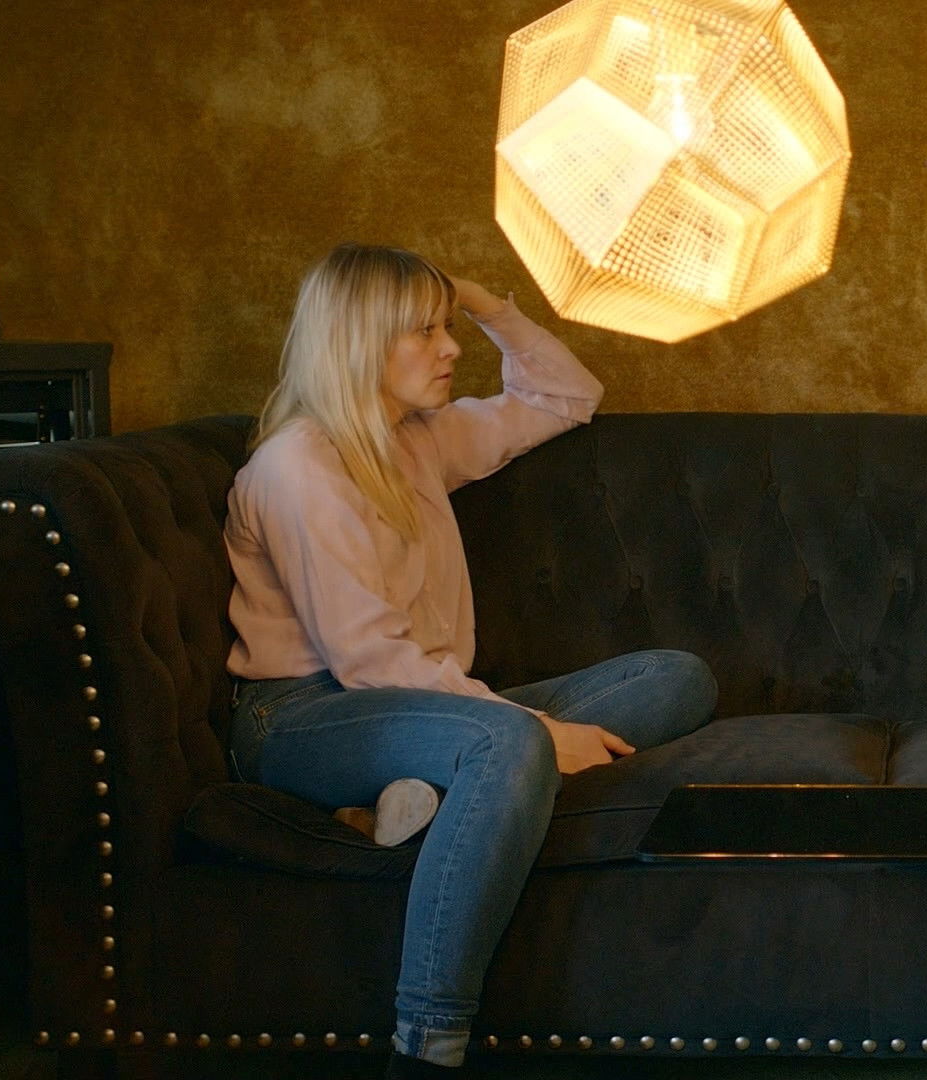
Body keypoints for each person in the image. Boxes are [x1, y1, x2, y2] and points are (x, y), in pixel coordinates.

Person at [223, 243, 719, 1078]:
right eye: (425, 331)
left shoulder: (417, 440)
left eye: (447, 326)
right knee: (508, 741)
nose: (451, 349)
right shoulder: (299, 468)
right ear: (359, 342)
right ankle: (427, 1046)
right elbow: (370, 659)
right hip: (303, 717)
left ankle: (411, 806)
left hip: (415, 705)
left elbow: (567, 396)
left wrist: (484, 300)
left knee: (675, 677)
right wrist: (529, 731)